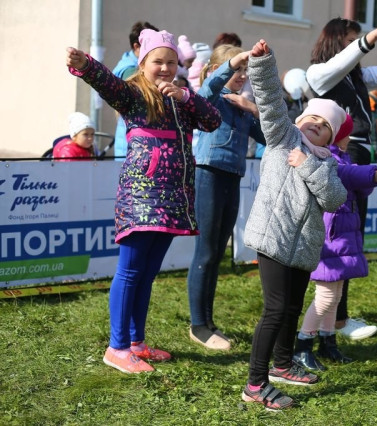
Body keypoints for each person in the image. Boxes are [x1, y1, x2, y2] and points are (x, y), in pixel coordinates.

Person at [66, 29, 221, 374]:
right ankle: (117, 347)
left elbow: (213, 120)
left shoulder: (181, 98)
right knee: (131, 271)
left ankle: (136, 343)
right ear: (143, 63)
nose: (165, 68)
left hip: (173, 197)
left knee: (147, 274)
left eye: (171, 62)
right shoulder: (133, 94)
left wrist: (186, 96)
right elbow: (107, 83)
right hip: (141, 195)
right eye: (158, 61)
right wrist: (86, 64)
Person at [241, 39, 347, 411]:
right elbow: (270, 101)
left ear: (332, 137)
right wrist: (262, 63)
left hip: (303, 247)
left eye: (325, 125)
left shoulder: (328, 164)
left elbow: (334, 198)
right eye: (311, 118)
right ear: (299, 121)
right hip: (273, 237)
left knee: (291, 307)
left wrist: (307, 165)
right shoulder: (282, 138)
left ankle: (284, 364)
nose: (316, 124)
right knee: (275, 309)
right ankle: (255, 384)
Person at [306, 14, 377, 340]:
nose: (356, 47)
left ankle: (335, 318)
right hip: (341, 156)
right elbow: (346, 60)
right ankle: (334, 319)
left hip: (357, 153)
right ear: (335, 41)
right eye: (350, 40)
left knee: (350, 236)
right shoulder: (318, 73)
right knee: (341, 237)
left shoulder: (353, 76)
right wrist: (375, 35)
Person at [293, 115, 377, 371]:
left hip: (342, 232)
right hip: (331, 234)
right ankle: (303, 344)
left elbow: (355, 183)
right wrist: (371, 174)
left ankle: (328, 342)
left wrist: (369, 180)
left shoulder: (342, 156)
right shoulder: (330, 159)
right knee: (326, 295)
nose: (350, 138)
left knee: (335, 295)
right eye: (347, 133)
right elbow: (346, 174)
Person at [187, 44, 265, 351]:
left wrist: (254, 109)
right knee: (205, 251)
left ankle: (208, 321)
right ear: (216, 70)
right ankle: (198, 325)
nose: (242, 75)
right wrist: (230, 65)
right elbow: (209, 87)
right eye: (237, 69)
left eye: (246, 71)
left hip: (233, 177)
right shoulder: (210, 99)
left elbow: (270, 135)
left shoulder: (242, 105)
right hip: (208, 174)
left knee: (218, 252)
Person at [112, 21, 159, 160]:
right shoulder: (129, 71)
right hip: (132, 147)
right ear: (136, 47)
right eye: (151, 45)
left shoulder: (135, 64)